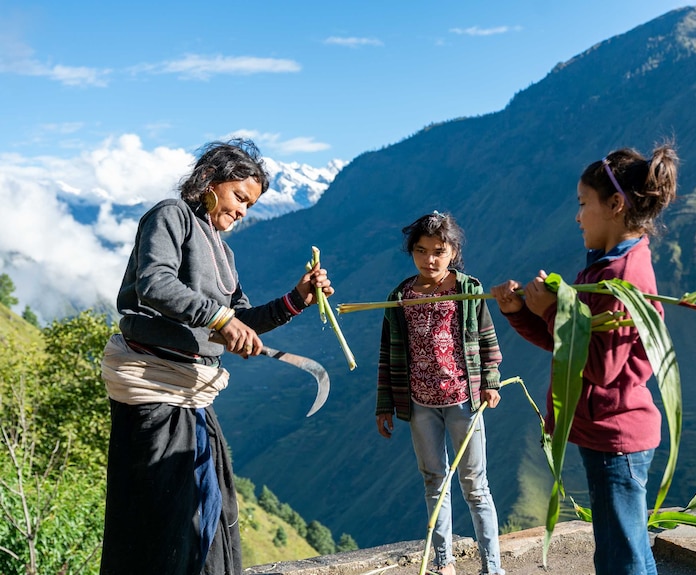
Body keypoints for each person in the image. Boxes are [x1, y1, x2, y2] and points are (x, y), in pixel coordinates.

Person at [99, 138, 333, 575]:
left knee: (209, 506)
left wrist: (296, 299)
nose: (243, 211)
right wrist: (221, 320)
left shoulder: (222, 251)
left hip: (192, 393)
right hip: (155, 389)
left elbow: (242, 319)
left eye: (250, 204)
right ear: (210, 181)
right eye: (239, 197)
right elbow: (155, 283)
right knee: (163, 515)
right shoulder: (171, 216)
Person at [491, 145, 678, 575]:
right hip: (606, 432)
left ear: (615, 205)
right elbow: (569, 347)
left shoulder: (623, 276)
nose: (577, 216)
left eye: (582, 204)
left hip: (618, 434)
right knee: (623, 548)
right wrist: (521, 311)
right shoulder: (602, 269)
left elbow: (602, 367)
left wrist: (551, 310)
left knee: (621, 556)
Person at [376, 211, 505, 575]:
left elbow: (486, 341)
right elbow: (388, 355)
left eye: (438, 251)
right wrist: (384, 404)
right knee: (434, 480)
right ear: (411, 252)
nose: (429, 259)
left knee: (475, 486)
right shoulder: (400, 297)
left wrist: (491, 382)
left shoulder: (467, 289)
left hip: (464, 399)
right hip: (419, 404)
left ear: (453, 252)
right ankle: (443, 562)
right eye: (421, 250)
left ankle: (491, 567)